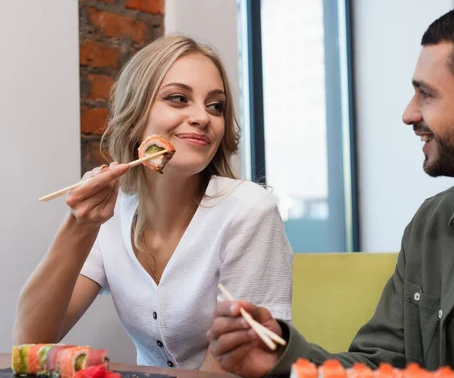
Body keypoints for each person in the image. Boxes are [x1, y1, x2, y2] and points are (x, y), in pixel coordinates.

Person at [207, 0, 454, 378]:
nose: (409, 114)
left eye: (427, 94)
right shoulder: (432, 226)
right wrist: (281, 358)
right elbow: (382, 367)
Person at [14, 35, 293, 371]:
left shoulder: (249, 210)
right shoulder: (112, 214)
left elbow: (236, 362)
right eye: (178, 99)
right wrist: (79, 225)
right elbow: (31, 340)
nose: (202, 117)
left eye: (215, 106)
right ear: (136, 112)